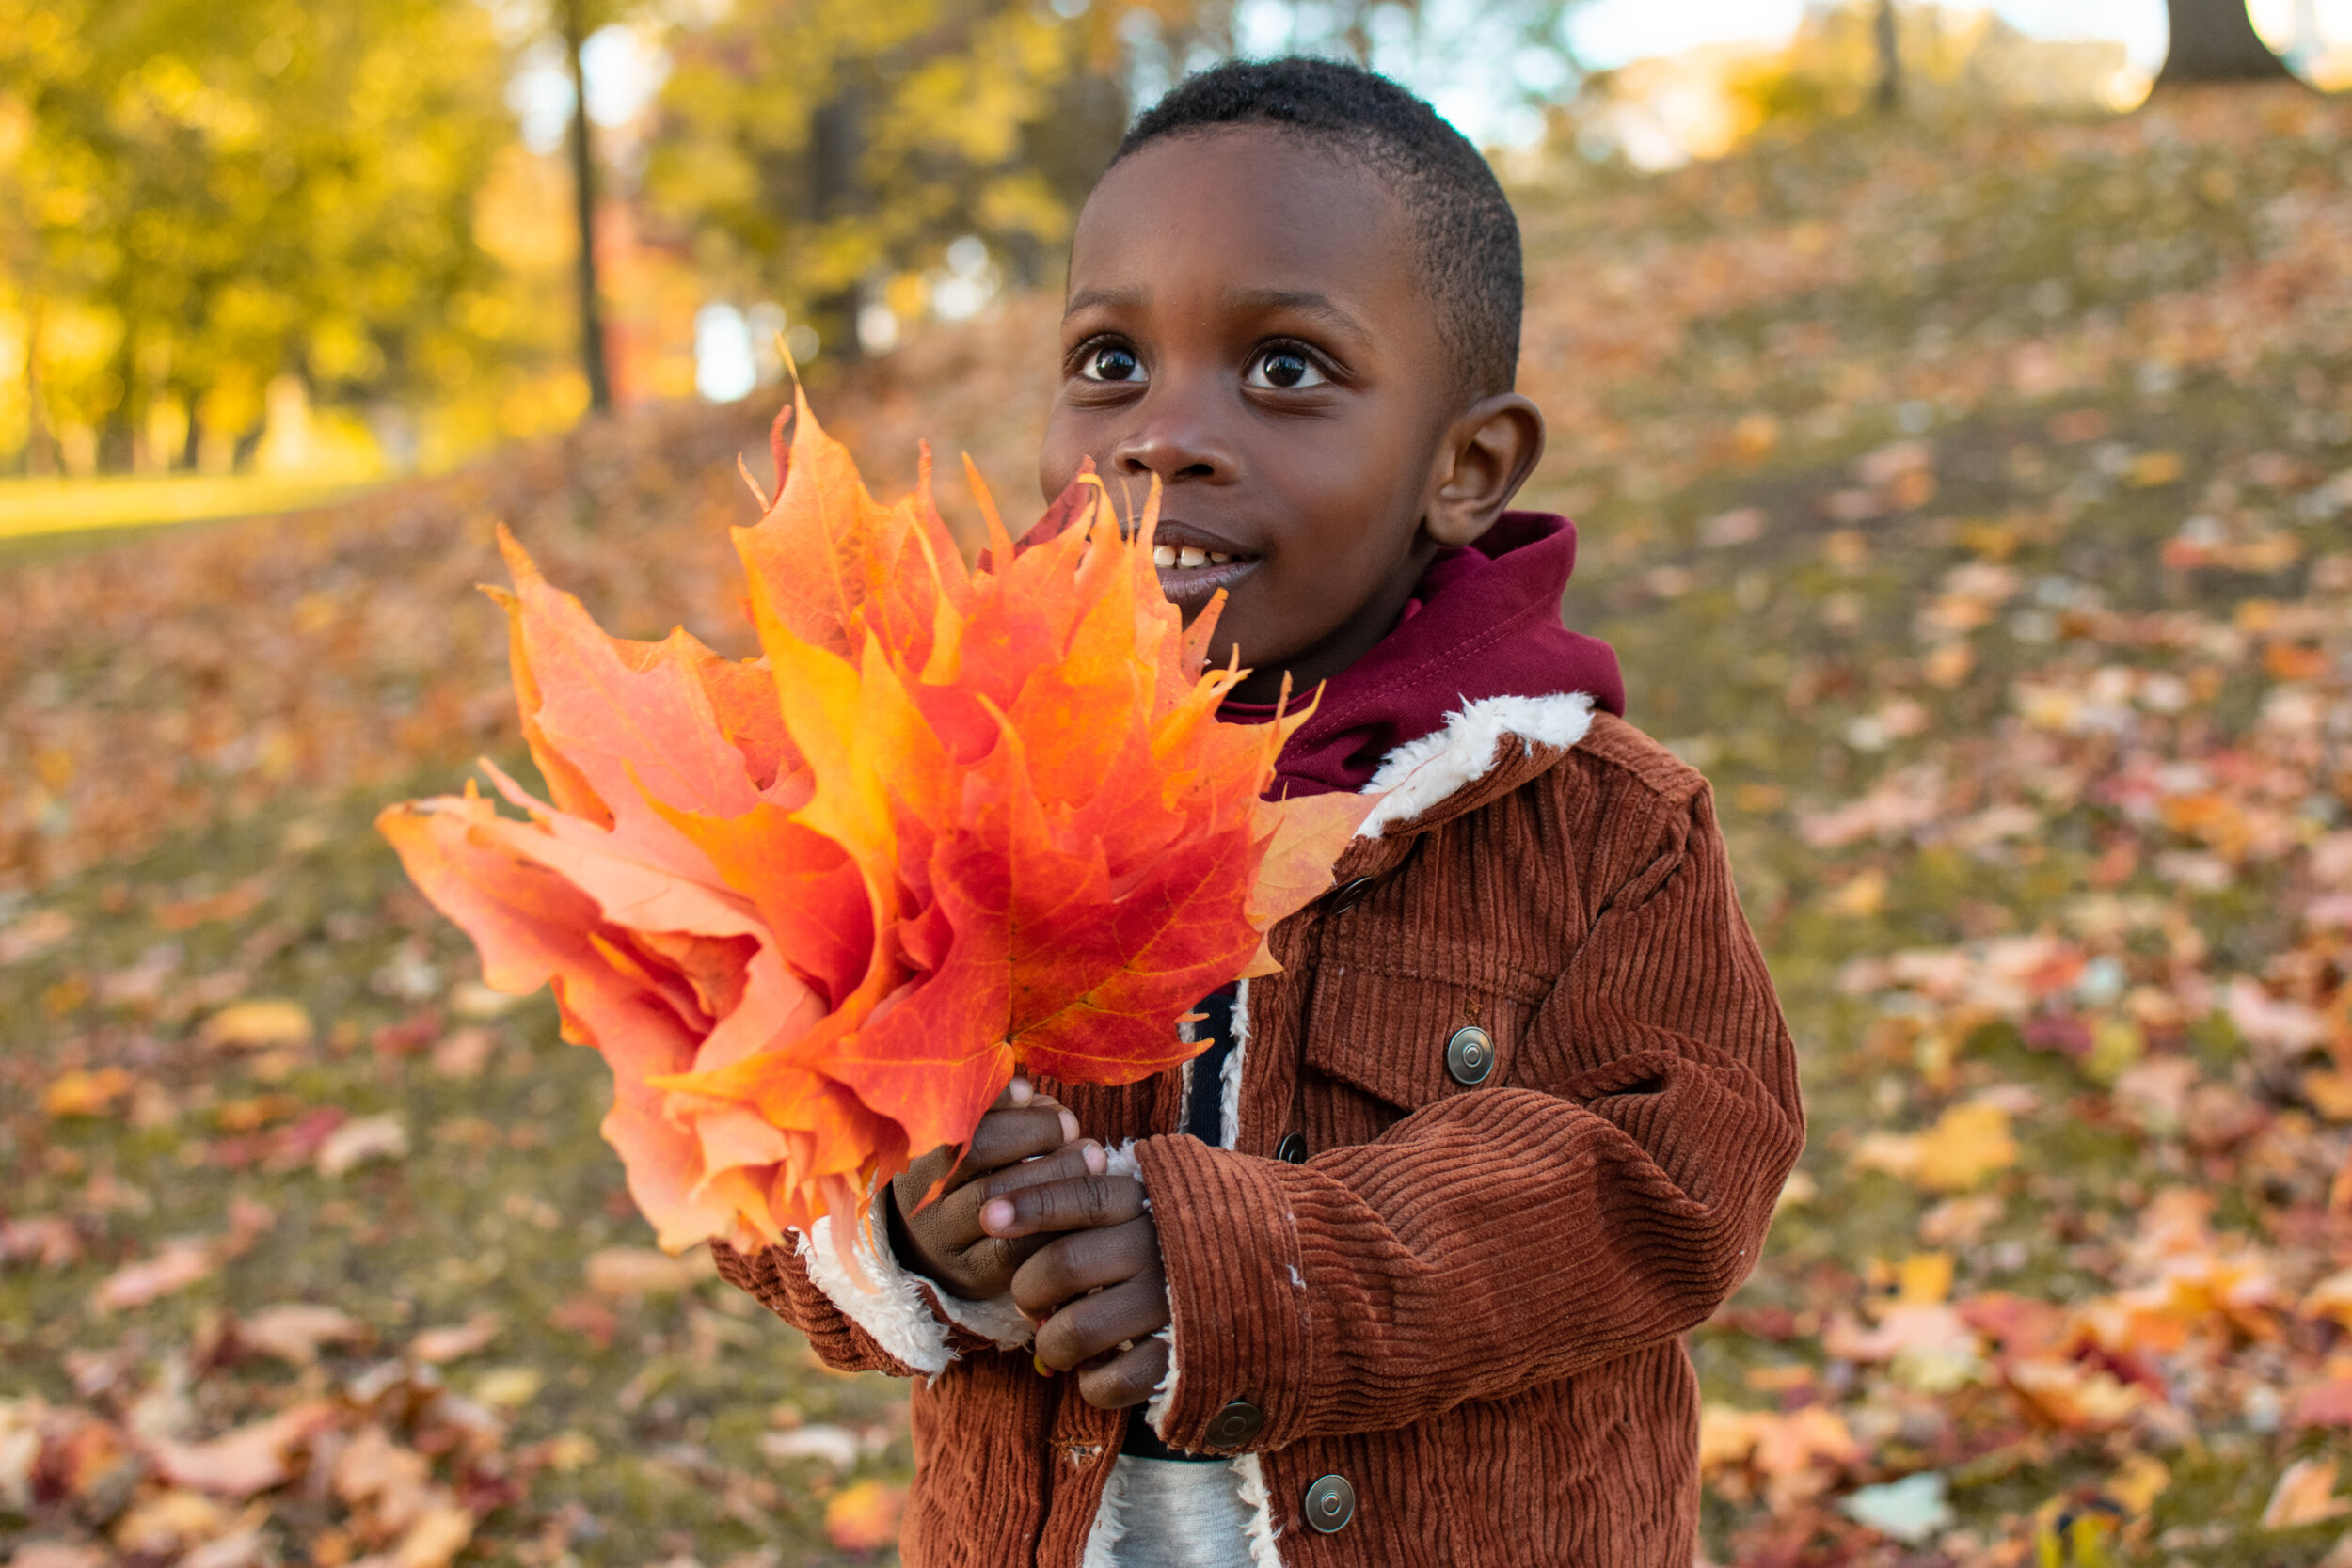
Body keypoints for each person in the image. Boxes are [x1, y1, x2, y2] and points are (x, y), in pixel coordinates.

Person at [713, 56, 1804, 1568]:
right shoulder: (953, 795)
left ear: (1467, 466)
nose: (1164, 434)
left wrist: (1255, 1270)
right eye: (1108, 362)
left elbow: (1676, 1176)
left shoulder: (1599, 824)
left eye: (1284, 367)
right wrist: (897, 1232)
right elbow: (753, 1156)